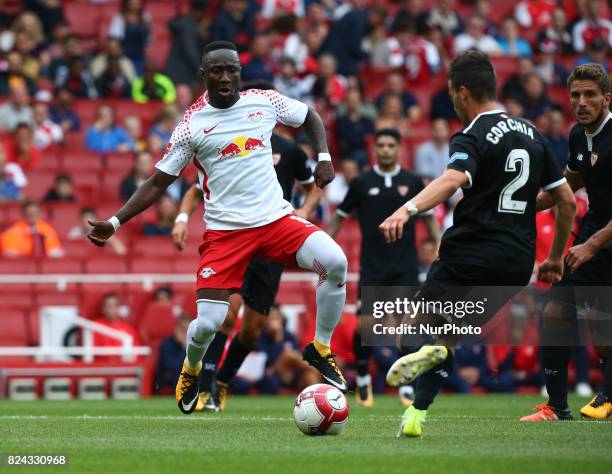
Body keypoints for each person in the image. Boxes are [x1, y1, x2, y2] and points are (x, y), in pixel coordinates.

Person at [86, 41, 349, 415]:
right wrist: (115, 221)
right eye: (217, 71)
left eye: (232, 70)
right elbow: (159, 182)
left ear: (239, 72)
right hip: (226, 234)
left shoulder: (264, 101)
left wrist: (323, 155)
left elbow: (310, 116)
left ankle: (320, 348)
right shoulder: (191, 125)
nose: (226, 77)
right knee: (208, 323)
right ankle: (191, 369)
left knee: (335, 261)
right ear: (203, 75)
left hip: (276, 220)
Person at [378, 49, 575, 438]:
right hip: (517, 263)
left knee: (411, 332)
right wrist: (554, 258)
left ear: (462, 91)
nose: (453, 102)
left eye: (452, 95)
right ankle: (417, 415)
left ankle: (425, 366)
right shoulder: (534, 134)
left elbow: (453, 179)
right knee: (449, 336)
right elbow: (565, 199)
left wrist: (407, 209)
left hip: (470, 252)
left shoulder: (472, 135)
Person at [171, 81, 322, 411]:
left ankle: (222, 382)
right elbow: (197, 189)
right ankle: (206, 388)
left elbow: (315, 186)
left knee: (252, 330)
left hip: (271, 240)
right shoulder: (229, 144)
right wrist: (182, 218)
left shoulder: (291, 151)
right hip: (236, 237)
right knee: (225, 317)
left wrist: (305, 211)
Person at [520, 63, 612, 422]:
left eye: (590, 95)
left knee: (604, 325)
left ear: (606, 98)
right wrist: (516, 206)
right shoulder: (578, 135)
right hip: (594, 230)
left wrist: (591, 245)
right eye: (575, 95)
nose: (581, 102)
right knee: (556, 312)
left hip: (602, 238)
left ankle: (606, 395)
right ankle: (557, 407)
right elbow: (565, 186)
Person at [328, 128, 441, 407]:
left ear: (399, 148)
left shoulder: (413, 182)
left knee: (406, 328)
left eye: (391, 145)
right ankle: (364, 376)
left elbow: (429, 220)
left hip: (405, 265)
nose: (386, 149)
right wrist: (322, 244)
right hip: (373, 265)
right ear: (374, 149)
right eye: (381, 145)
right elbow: (339, 218)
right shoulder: (362, 183)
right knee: (365, 325)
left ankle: (405, 384)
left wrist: (439, 245)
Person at [91, 292, 141, 363]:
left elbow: (137, 354)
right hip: (102, 367)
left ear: (119, 308)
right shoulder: (94, 326)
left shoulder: (129, 329)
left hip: (123, 368)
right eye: (108, 306)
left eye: (114, 306)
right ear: (102, 309)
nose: (110, 309)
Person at [155, 316, 192, 393]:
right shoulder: (166, 344)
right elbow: (172, 366)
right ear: (176, 329)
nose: (184, 333)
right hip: (169, 382)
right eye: (182, 329)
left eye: (187, 329)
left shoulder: (195, 345)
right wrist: (184, 347)